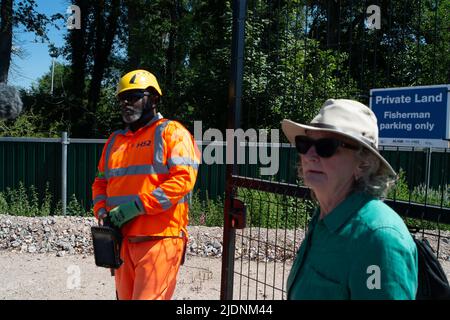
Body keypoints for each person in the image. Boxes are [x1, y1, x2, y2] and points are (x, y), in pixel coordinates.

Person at [281, 99, 418, 299]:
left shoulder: (379, 239)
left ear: (363, 164)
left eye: (327, 147)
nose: (310, 155)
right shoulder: (325, 216)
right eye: (304, 144)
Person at [92, 69, 200, 300]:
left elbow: (183, 181)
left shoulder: (173, 133)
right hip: (121, 240)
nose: (127, 103)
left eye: (134, 96)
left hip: (160, 240)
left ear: (153, 99)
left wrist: (136, 207)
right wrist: (101, 211)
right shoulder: (115, 141)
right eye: (123, 98)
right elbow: (100, 183)